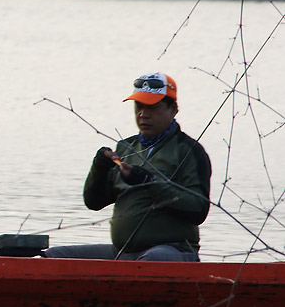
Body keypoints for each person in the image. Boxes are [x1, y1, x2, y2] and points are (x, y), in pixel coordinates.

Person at [44, 72, 211, 261]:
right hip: (123, 252)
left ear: (173, 110)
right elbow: (94, 202)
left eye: (152, 107)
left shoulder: (189, 151)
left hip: (173, 250)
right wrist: (99, 168)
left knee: (151, 261)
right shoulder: (125, 148)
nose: (143, 114)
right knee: (52, 257)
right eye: (138, 107)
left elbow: (198, 210)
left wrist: (149, 182)